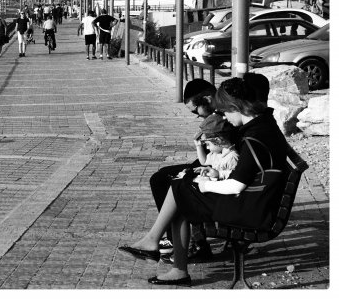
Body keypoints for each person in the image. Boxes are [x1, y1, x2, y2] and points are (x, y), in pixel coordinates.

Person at [120, 76, 289, 286]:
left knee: (182, 187)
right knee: (181, 185)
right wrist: (211, 175)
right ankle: (161, 250)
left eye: (225, 111)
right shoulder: (262, 126)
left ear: (236, 106)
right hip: (257, 199)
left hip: (253, 209)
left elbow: (236, 184)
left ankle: (166, 254)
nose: (224, 117)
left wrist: (206, 185)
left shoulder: (254, 137)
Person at [147, 79, 217, 259]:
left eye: (196, 111)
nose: (198, 116)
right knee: (160, 177)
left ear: (208, 99)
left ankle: (185, 242)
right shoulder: (217, 114)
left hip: (214, 167)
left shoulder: (223, 117)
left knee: (168, 180)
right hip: (210, 163)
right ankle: (175, 238)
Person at [186, 113, 239, 181]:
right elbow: (204, 162)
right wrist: (198, 146)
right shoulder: (217, 154)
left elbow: (234, 180)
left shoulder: (232, 158)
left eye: (208, 144)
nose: (207, 148)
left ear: (218, 141)